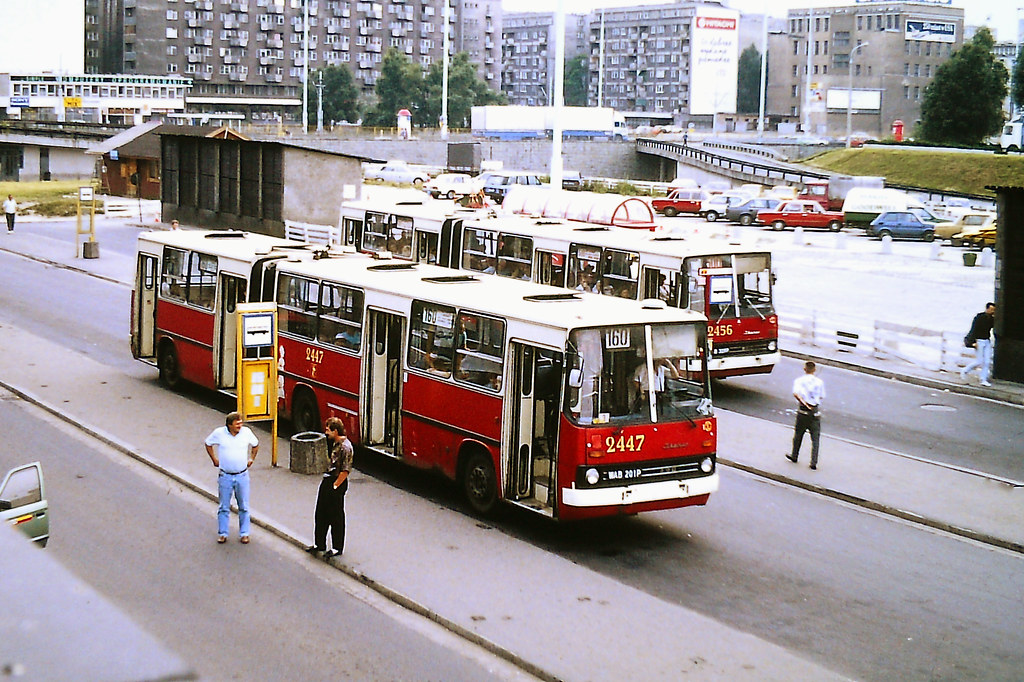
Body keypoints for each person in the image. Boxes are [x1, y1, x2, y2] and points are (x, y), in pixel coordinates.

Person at [205, 411, 259, 544]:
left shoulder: (246, 433)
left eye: (240, 423)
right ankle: (223, 533)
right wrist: (214, 460)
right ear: (229, 425)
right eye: (237, 424)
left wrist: (251, 459)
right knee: (224, 506)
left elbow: (256, 445)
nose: (240, 426)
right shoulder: (219, 433)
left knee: (244, 506)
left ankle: (244, 533)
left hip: (242, 475)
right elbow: (208, 443)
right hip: (225, 476)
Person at [309, 417, 353, 558]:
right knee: (321, 513)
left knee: (335, 515)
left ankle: (336, 547)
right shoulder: (334, 443)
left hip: (336, 482)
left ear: (335, 431)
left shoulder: (345, 447)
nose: (326, 432)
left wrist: (335, 486)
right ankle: (319, 544)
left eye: (328, 430)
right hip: (328, 480)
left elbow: (345, 470)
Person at [788, 361, 825, 470]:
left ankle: (794, 455)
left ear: (805, 369)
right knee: (815, 438)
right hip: (815, 413)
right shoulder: (820, 382)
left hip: (803, 412)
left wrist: (805, 404)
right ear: (814, 370)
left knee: (798, 435)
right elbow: (822, 396)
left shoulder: (799, 381)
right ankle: (813, 462)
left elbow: (796, 394)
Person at [961, 302, 996, 387]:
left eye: (993, 310)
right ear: (987, 309)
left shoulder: (992, 319)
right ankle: (965, 370)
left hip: (987, 340)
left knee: (987, 361)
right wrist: (973, 342)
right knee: (979, 361)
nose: (992, 311)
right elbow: (973, 330)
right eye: (991, 309)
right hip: (979, 341)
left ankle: (983, 379)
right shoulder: (979, 317)